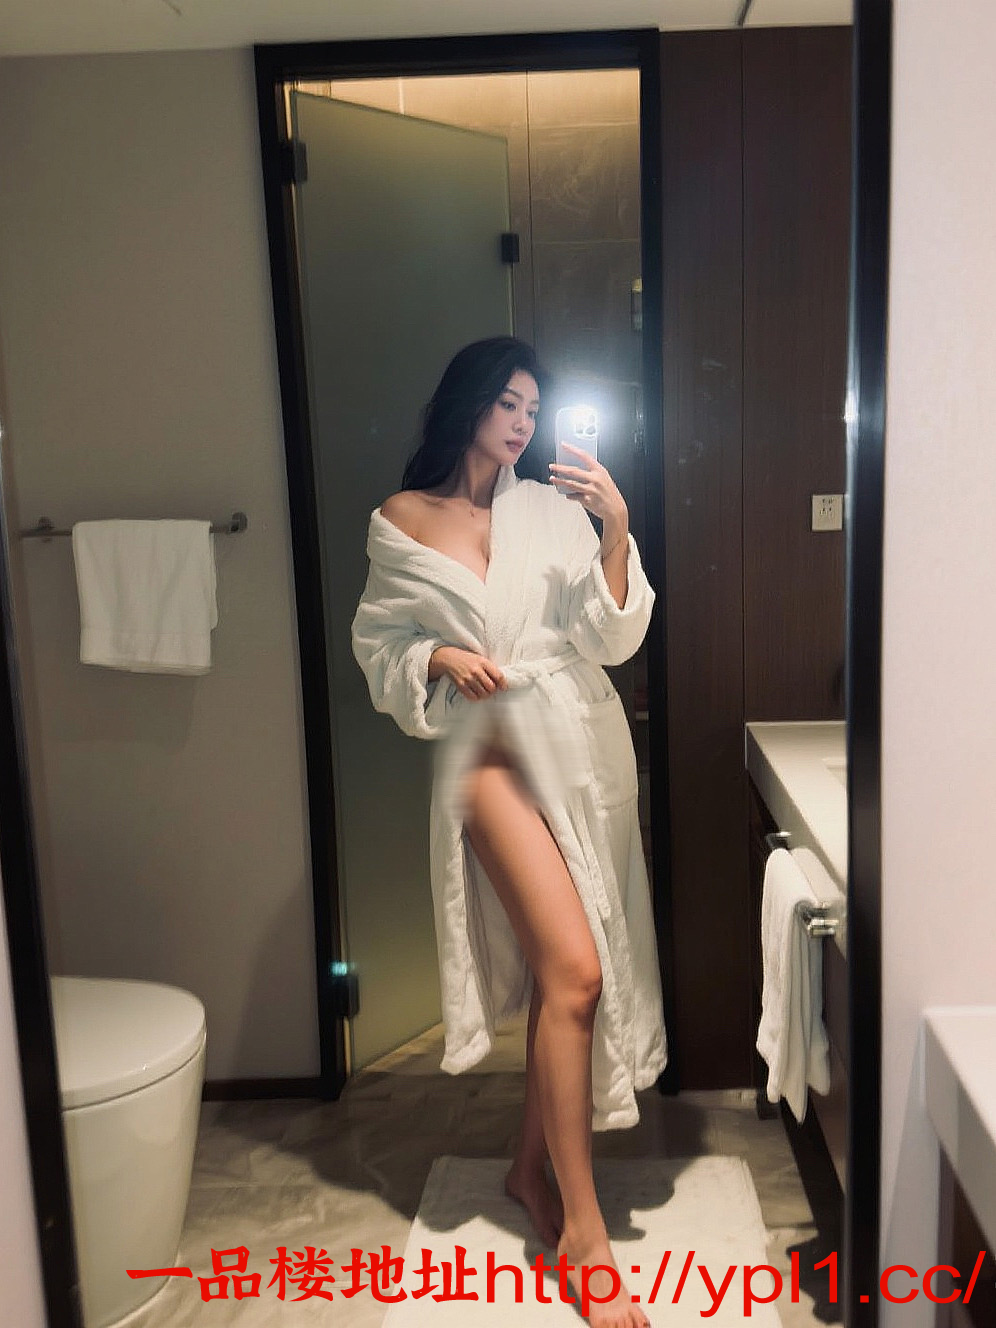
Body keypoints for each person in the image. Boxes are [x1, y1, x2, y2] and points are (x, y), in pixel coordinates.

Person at [351, 336, 666, 1328]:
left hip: (576, 734)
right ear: (470, 402)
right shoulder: (403, 519)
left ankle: (531, 1171)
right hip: (486, 745)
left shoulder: (556, 510)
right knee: (575, 969)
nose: (524, 421)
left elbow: (612, 636)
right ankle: (585, 1233)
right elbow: (380, 645)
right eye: (509, 402)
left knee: (557, 975)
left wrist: (615, 526)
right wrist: (438, 655)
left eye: (536, 407)